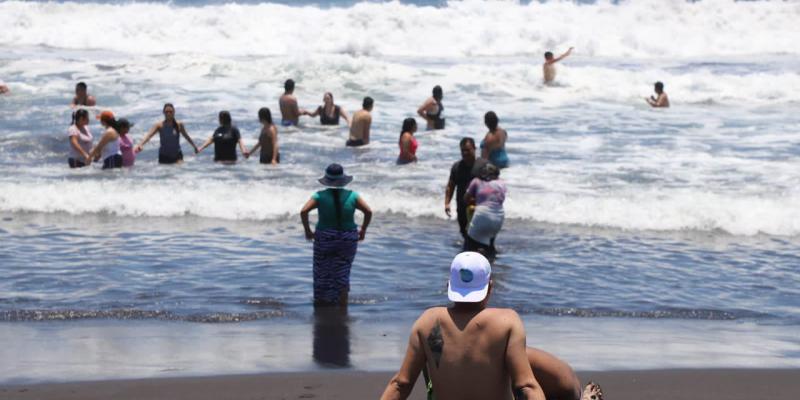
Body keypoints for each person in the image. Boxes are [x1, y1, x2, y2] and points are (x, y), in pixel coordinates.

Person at [380, 251, 602, 400]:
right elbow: (525, 386)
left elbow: (400, 384)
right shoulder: (505, 322)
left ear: (449, 286)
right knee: (529, 362)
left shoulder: (428, 322)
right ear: (490, 287)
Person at [300, 163, 372, 307]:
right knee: (343, 271)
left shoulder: (319, 196)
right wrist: (363, 229)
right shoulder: (353, 195)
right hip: (347, 238)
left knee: (322, 271)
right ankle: (343, 305)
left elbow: (303, 211)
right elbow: (368, 211)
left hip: (325, 238)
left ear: (327, 179)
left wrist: (307, 230)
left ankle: (322, 304)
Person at [445, 138, 487, 242]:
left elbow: (492, 186)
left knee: (479, 235)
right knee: (464, 233)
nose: (465, 153)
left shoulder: (483, 165)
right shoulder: (457, 167)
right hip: (462, 207)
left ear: (474, 149)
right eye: (462, 150)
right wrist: (447, 203)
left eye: (467, 150)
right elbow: (450, 186)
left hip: (480, 207)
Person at [464, 163, 506, 259]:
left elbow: (466, 199)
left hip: (482, 215)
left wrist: (474, 200)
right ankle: (491, 265)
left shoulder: (476, 181)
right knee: (489, 248)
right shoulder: (502, 183)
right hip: (498, 218)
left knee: (470, 247)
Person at [135, 103, 199, 164]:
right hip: (164, 156)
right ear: (163, 112)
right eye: (166, 112)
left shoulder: (179, 124)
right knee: (165, 172)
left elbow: (186, 136)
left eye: (170, 112)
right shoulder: (159, 125)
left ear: (174, 112)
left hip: (177, 155)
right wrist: (140, 144)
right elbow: (149, 136)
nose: (168, 113)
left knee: (180, 170)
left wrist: (194, 146)